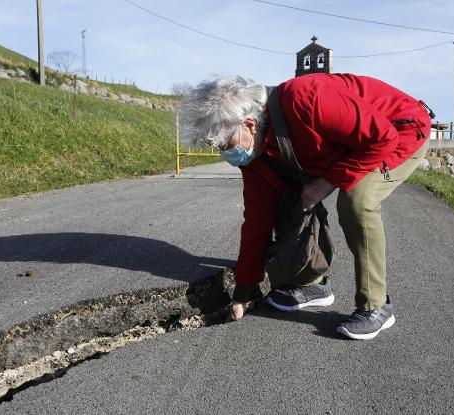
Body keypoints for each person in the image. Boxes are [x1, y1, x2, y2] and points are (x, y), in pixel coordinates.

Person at [181, 73, 432, 340]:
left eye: (225, 144)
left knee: (357, 201)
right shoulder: (255, 159)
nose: (225, 154)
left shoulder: (307, 98)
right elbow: (257, 221)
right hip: (343, 148)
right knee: (286, 200)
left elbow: (381, 139)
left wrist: (324, 184)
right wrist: (243, 292)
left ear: (250, 124)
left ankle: (376, 306)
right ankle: (312, 283)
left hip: (397, 131)